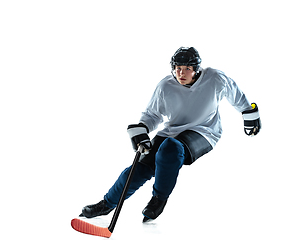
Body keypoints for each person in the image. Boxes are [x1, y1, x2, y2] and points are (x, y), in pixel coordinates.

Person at [79, 47, 261, 222]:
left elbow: (235, 94)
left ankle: (159, 198)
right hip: (172, 131)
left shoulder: (214, 78)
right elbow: (152, 114)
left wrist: (248, 113)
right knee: (139, 168)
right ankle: (107, 203)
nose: (181, 73)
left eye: (187, 69)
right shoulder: (166, 86)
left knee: (170, 149)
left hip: (205, 131)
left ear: (196, 69)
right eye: (178, 68)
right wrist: (142, 129)